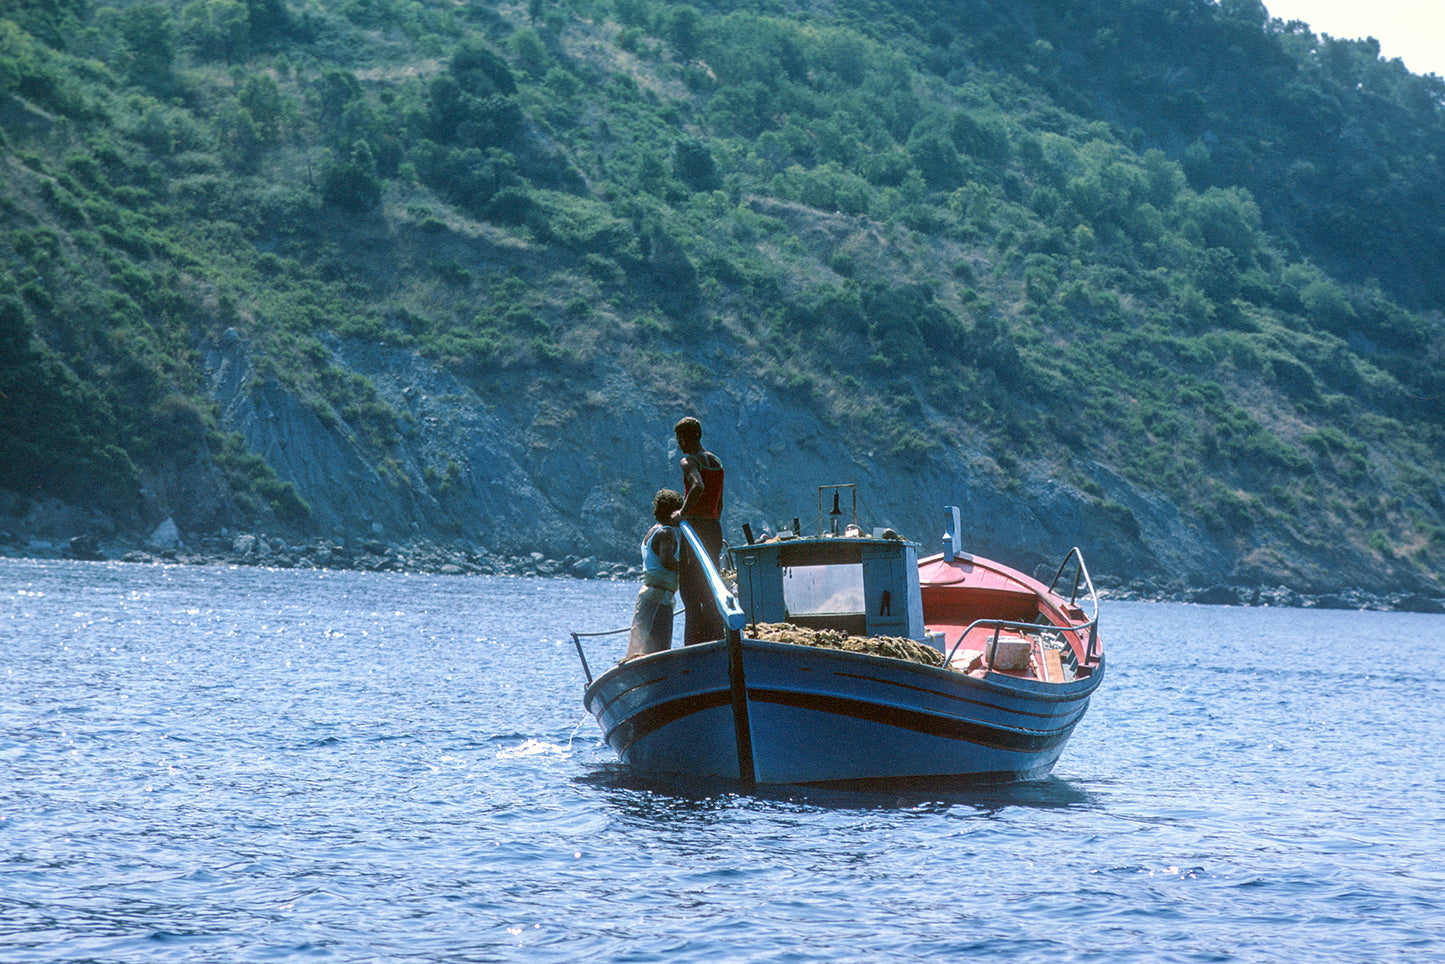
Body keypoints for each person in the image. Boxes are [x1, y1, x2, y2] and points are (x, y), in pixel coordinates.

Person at [670, 416, 726, 646]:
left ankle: (694, 644)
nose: (679, 443)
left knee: (690, 590)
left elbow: (697, 486)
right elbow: (719, 501)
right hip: (714, 528)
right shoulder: (716, 462)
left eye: (679, 438)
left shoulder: (689, 461)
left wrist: (682, 513)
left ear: (686, 437)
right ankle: (715, 638)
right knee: (709, 586)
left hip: (696, 529)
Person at [627, 489, 684, 658]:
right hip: (659, 596)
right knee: (660, 647)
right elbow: (667, 561)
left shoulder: (651, 532)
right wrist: (689, 570)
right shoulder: (666, 532)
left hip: (648, 595)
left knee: (642, 643)